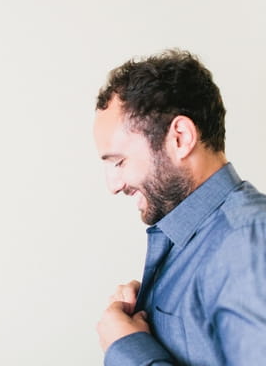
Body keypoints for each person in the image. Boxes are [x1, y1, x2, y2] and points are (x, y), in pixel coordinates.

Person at [92, 49, 266, 365]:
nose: (113, 185)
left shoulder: (250, 242)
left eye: (119, 161)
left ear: (180, 138)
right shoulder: (192, 240)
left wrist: (127, 348)